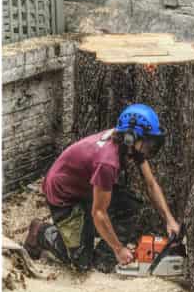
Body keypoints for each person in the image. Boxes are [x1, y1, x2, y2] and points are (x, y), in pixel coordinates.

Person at [23, 103, 182, 271]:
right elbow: (98, 212)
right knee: (80, 262)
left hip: (87, 187)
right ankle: (40, 232)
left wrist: (169, 221)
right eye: (148, 142)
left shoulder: (127, 143)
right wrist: (119, 249)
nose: (149, 148)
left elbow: (151, 184)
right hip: (64, 195)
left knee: (130, 206)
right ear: (131, 137)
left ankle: (102, 259)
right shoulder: (108, 162)